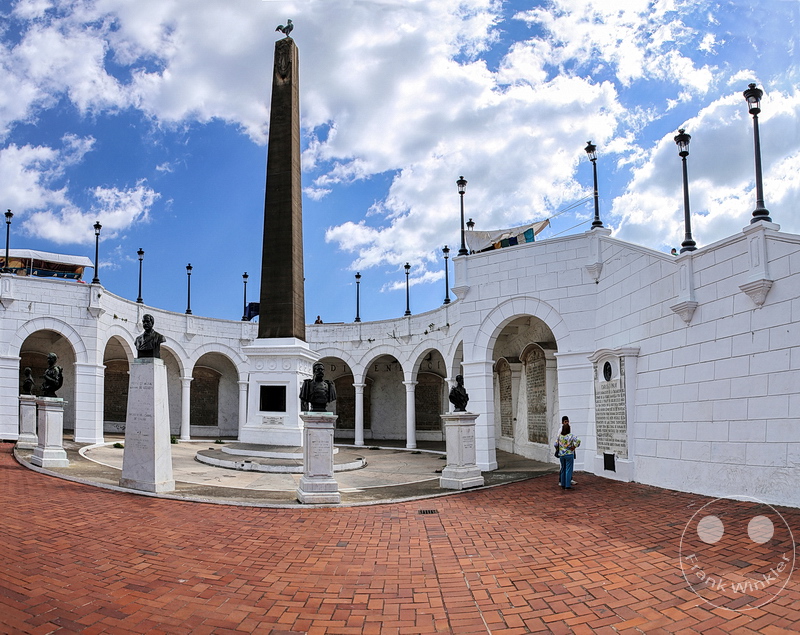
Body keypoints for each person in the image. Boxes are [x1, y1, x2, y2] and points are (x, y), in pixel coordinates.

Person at [554, 416, 581, 490]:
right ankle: (567, 485)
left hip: (561, 454)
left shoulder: (560, 437)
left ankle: (562, 483)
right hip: (569, 454)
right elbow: (578, 440)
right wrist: (574, 447)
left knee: (563, 468)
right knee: (568, 469)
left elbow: (555, 444)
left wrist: (558, 449)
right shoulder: (571, 436)